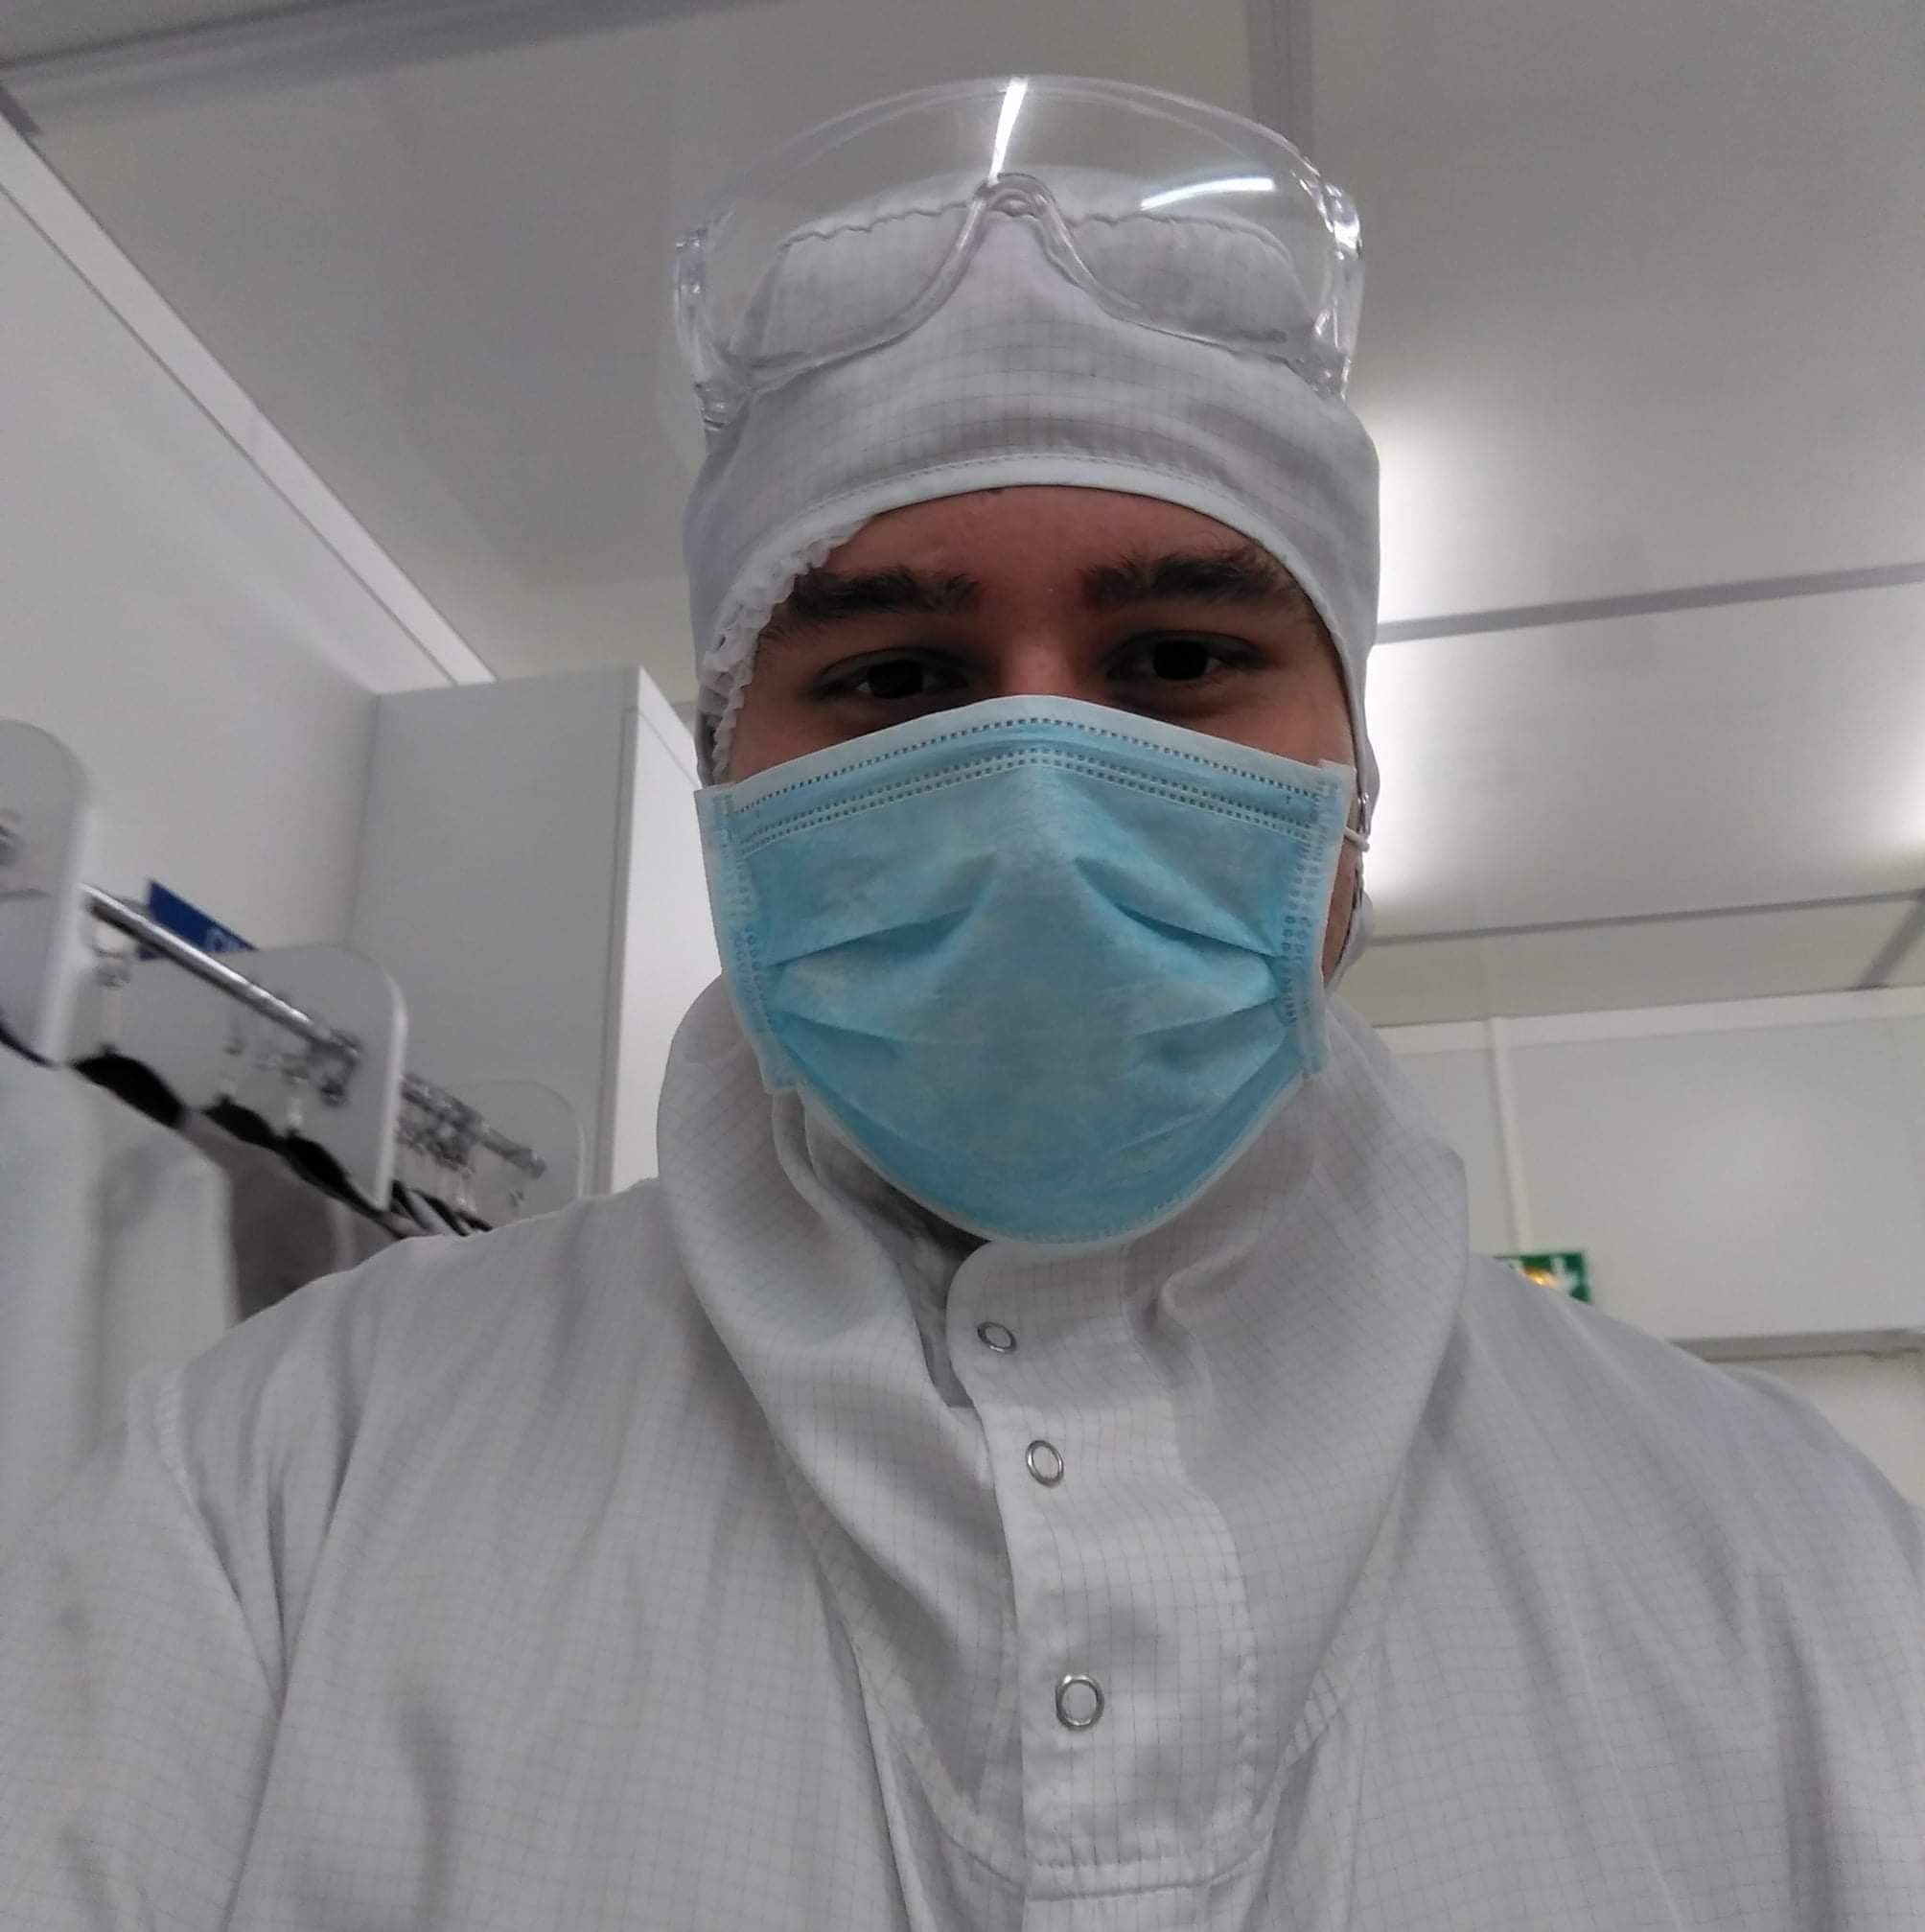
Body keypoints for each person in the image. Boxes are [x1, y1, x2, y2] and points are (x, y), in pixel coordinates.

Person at [2, 75, 1920, 1931]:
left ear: (1352, 779)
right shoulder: (288, 1473)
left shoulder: (1793, 1565)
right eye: (898, 681)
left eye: (1177, 657)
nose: (1034, 808)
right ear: (726, 786)